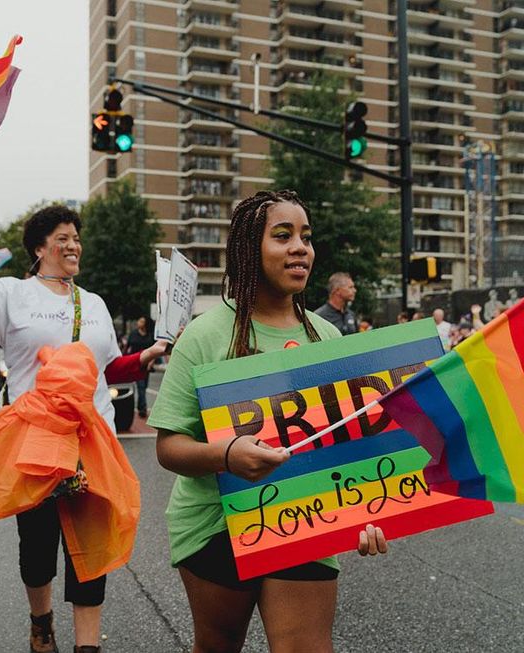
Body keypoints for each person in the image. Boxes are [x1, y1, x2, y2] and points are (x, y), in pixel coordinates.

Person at [148, 190, 387, 652]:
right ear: (247, 250)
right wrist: (226, 455)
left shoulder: (330, 337)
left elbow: (350, 443)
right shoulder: (205, 335)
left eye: (306, 237)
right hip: (215, 524)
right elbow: (169, 446)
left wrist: (367, 510)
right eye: (283, 236)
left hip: (307, 518)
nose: (300, 247)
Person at [0, 204, 168, 653]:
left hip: (93, 442)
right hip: (37, 441)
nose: (73, 246)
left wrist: (142, 359)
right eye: (63, 238)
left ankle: (88, 646)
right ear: (40, 247)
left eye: (76, 238)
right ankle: (41, 621)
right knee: (37, 547)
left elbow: (105, 370)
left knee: (91, 547)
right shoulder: (12, 293)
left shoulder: (95, 304)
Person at [125, 316, 155, 418]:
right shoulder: (133, 334)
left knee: (144, 386)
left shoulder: (150, 335)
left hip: (146, 365)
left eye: (142, 321)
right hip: (135, 362)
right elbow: (128, 348)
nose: (139, 322)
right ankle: (143, 408)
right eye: (139, 320)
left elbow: (154, 350)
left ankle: (139, 406)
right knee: (141, 386)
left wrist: (151, 362)